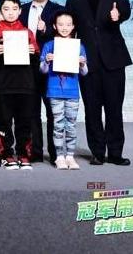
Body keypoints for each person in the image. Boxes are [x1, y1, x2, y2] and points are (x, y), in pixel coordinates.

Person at [65, 0, 132, 166]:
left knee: (114, 109)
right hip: (86, 61)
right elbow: (68, 29)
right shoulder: (74, 0)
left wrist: (117, 16)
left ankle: (115, 153)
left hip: (113, 61)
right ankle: (97, 153)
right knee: (92, 110)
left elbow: (125, 13)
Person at [0, 0, 39, 170]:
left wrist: (32, 52)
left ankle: (24, 154)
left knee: (25, 121)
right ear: (1, 11)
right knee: (3, 121)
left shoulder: (27, 33)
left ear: (20, 11)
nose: (11, 12)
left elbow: (37, 57)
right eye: (6, 9)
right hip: (3, 85)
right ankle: (5, 154)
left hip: (25, 84)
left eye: (15, 9)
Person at [19, 0, 63, 163]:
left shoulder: (59, 10)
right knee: (31, 111)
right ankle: (35, 152)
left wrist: (46, 30)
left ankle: (55, 152)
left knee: (53, 110)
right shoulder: (21, 10)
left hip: (51, 66)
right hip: (27, 67)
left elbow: (66, 32)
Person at [39, 11, 89, 170]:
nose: (64, 27)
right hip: (54, 91)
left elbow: (85, 72)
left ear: (73, 26)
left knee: (71, 125)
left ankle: (70, 156)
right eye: (60, 24)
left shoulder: (78, 46)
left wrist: (82, 64)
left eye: (68, 24)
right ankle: (59, 156)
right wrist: (47, 61)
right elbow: (42, 70)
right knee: (58, 124)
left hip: (72, 91)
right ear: (54, 26)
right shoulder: (49, 45)